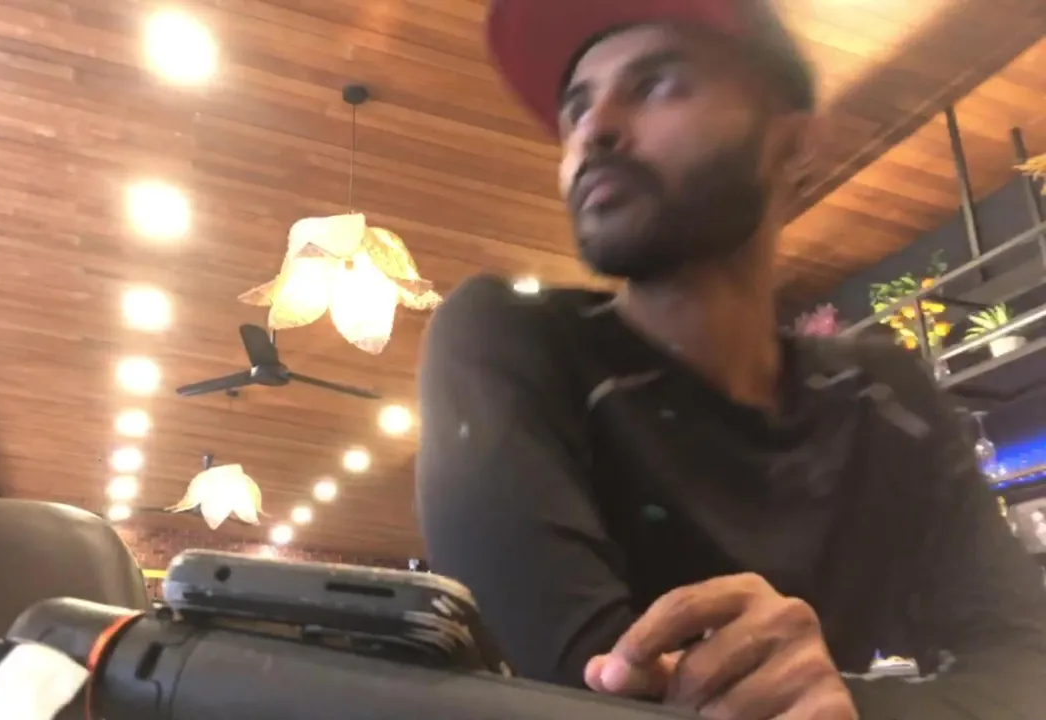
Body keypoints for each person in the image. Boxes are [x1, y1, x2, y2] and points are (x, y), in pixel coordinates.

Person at [415, 1, 1046, 718]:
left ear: (794, 144)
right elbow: (575, 695)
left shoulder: (884, 397)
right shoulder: (511, 340)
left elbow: (1029, 670)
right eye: (577, 108)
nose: (594, 129)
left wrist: (844, 703)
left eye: (656, 84)